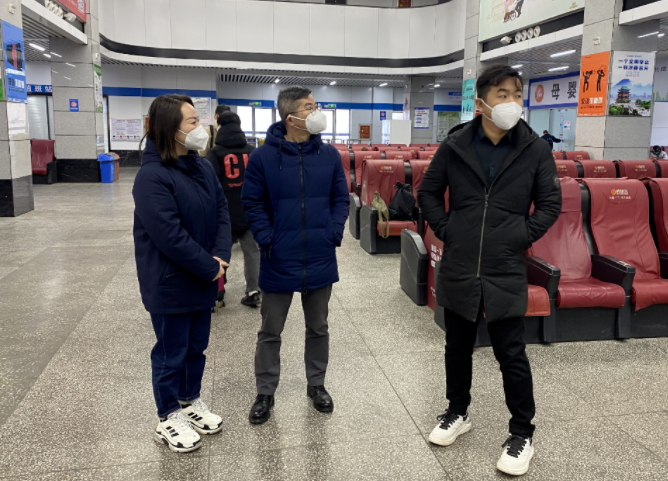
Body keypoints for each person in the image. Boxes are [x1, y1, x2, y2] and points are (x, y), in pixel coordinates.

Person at [418, 65, 561, 477]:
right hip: (461, 262)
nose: (512, 102)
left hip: (505, 264)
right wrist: (449, 230)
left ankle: (522, 433)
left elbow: (550, 204)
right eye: (503, 94)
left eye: (517, 93)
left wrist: (520, 235)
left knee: (510, 353)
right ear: (481, 102)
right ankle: (457, 411)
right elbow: (429, 192)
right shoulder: (456, 144)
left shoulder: (534, 148)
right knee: (457, 346)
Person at [242, 86, 350, 425]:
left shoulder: (329, 155)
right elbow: (252, 203)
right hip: (278, 256)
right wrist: (267, 238)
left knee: (318, 327)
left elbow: (340, 198)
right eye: (310, 107)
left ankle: (316, 384)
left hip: (319, 253)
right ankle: (265, 391)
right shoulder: (262, 158)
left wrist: (333, 231)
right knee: (270, 329)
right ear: (291, 118)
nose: (317, 112)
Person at [133, 94, 232, 453]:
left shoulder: (201, 167)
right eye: (192, 122)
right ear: (170, 130)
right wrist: (210, 266)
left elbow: (221, 211)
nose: (200, 128)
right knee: (170, 352)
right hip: (170, 282)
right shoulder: (151, 177)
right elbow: (169, 236)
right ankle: (167, 416)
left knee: (196, 348)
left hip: (204, 277)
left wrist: (220, 255)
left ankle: (190, 401)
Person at [206, 111, 261, 307]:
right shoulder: (252, 151)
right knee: (252, 251)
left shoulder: (215, 153)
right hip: (250, 209)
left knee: (221, 252)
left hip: (224, 212)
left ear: (220, 127)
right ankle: (253, 291)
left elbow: (210, 183)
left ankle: (217, 291)